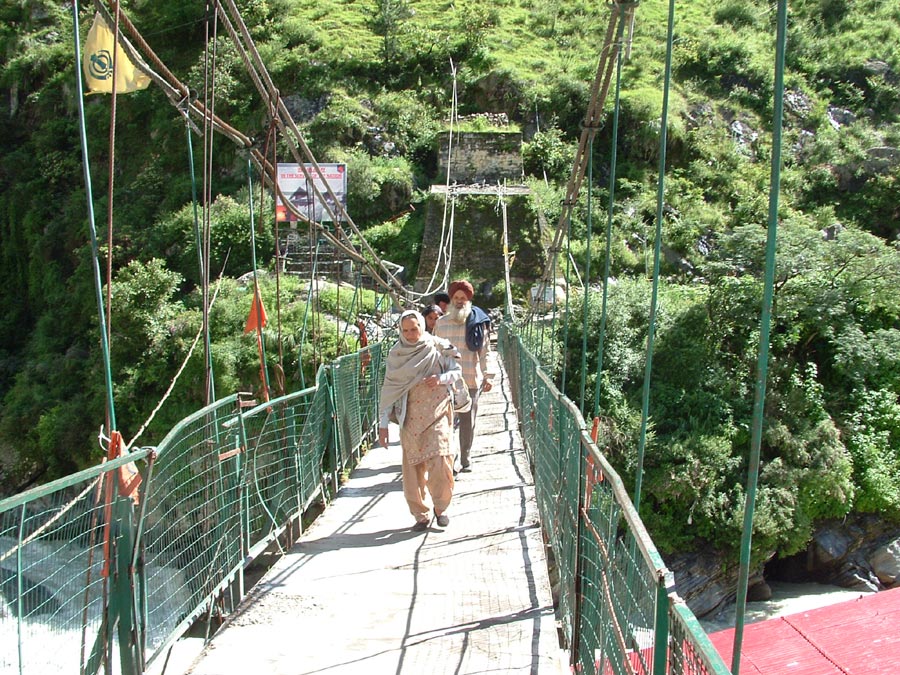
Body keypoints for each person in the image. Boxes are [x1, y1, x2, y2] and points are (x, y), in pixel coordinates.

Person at [378, 310, 462, 531]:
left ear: (422, 327)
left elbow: (456, 371)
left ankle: (441, 508)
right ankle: (421, 514)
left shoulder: (437, 348)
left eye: (414, 329)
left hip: (439, 412)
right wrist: (383, 425)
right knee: (412, 468)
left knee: (442, 460)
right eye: (405, 330)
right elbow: (389, 391)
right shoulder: (396, 355)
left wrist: (441, 379)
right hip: (411, 418)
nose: (411, 334)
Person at [433, 280, 494, 473]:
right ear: (451, 299)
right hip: (445, 381)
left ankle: (465, 458)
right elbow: (433, 351)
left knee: (468, 421)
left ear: (468, 300)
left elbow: (485, 351)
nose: (459, 301)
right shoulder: (441, 324)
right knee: (445, 421)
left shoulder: (476, 323)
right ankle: (450, 456)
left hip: (470, 379)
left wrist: (488, 375)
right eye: (456, 298)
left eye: (463, 298)